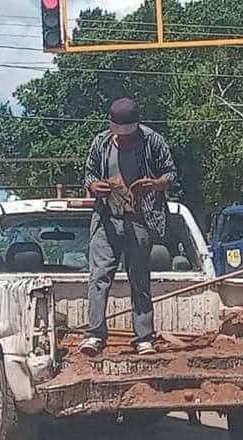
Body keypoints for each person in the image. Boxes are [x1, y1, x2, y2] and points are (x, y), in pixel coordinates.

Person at [80, 98, 177, 357]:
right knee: (99, 276)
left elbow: (170, 174)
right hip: (106, 218)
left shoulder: (153, 141)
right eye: (119, 136)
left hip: (140, 219)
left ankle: (144, 337)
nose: (123, 141)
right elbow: (88, 173)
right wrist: (93, 187)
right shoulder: (100, 143)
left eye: (128, 136)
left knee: (139, 278)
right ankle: (95, 335)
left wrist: (154, 185)